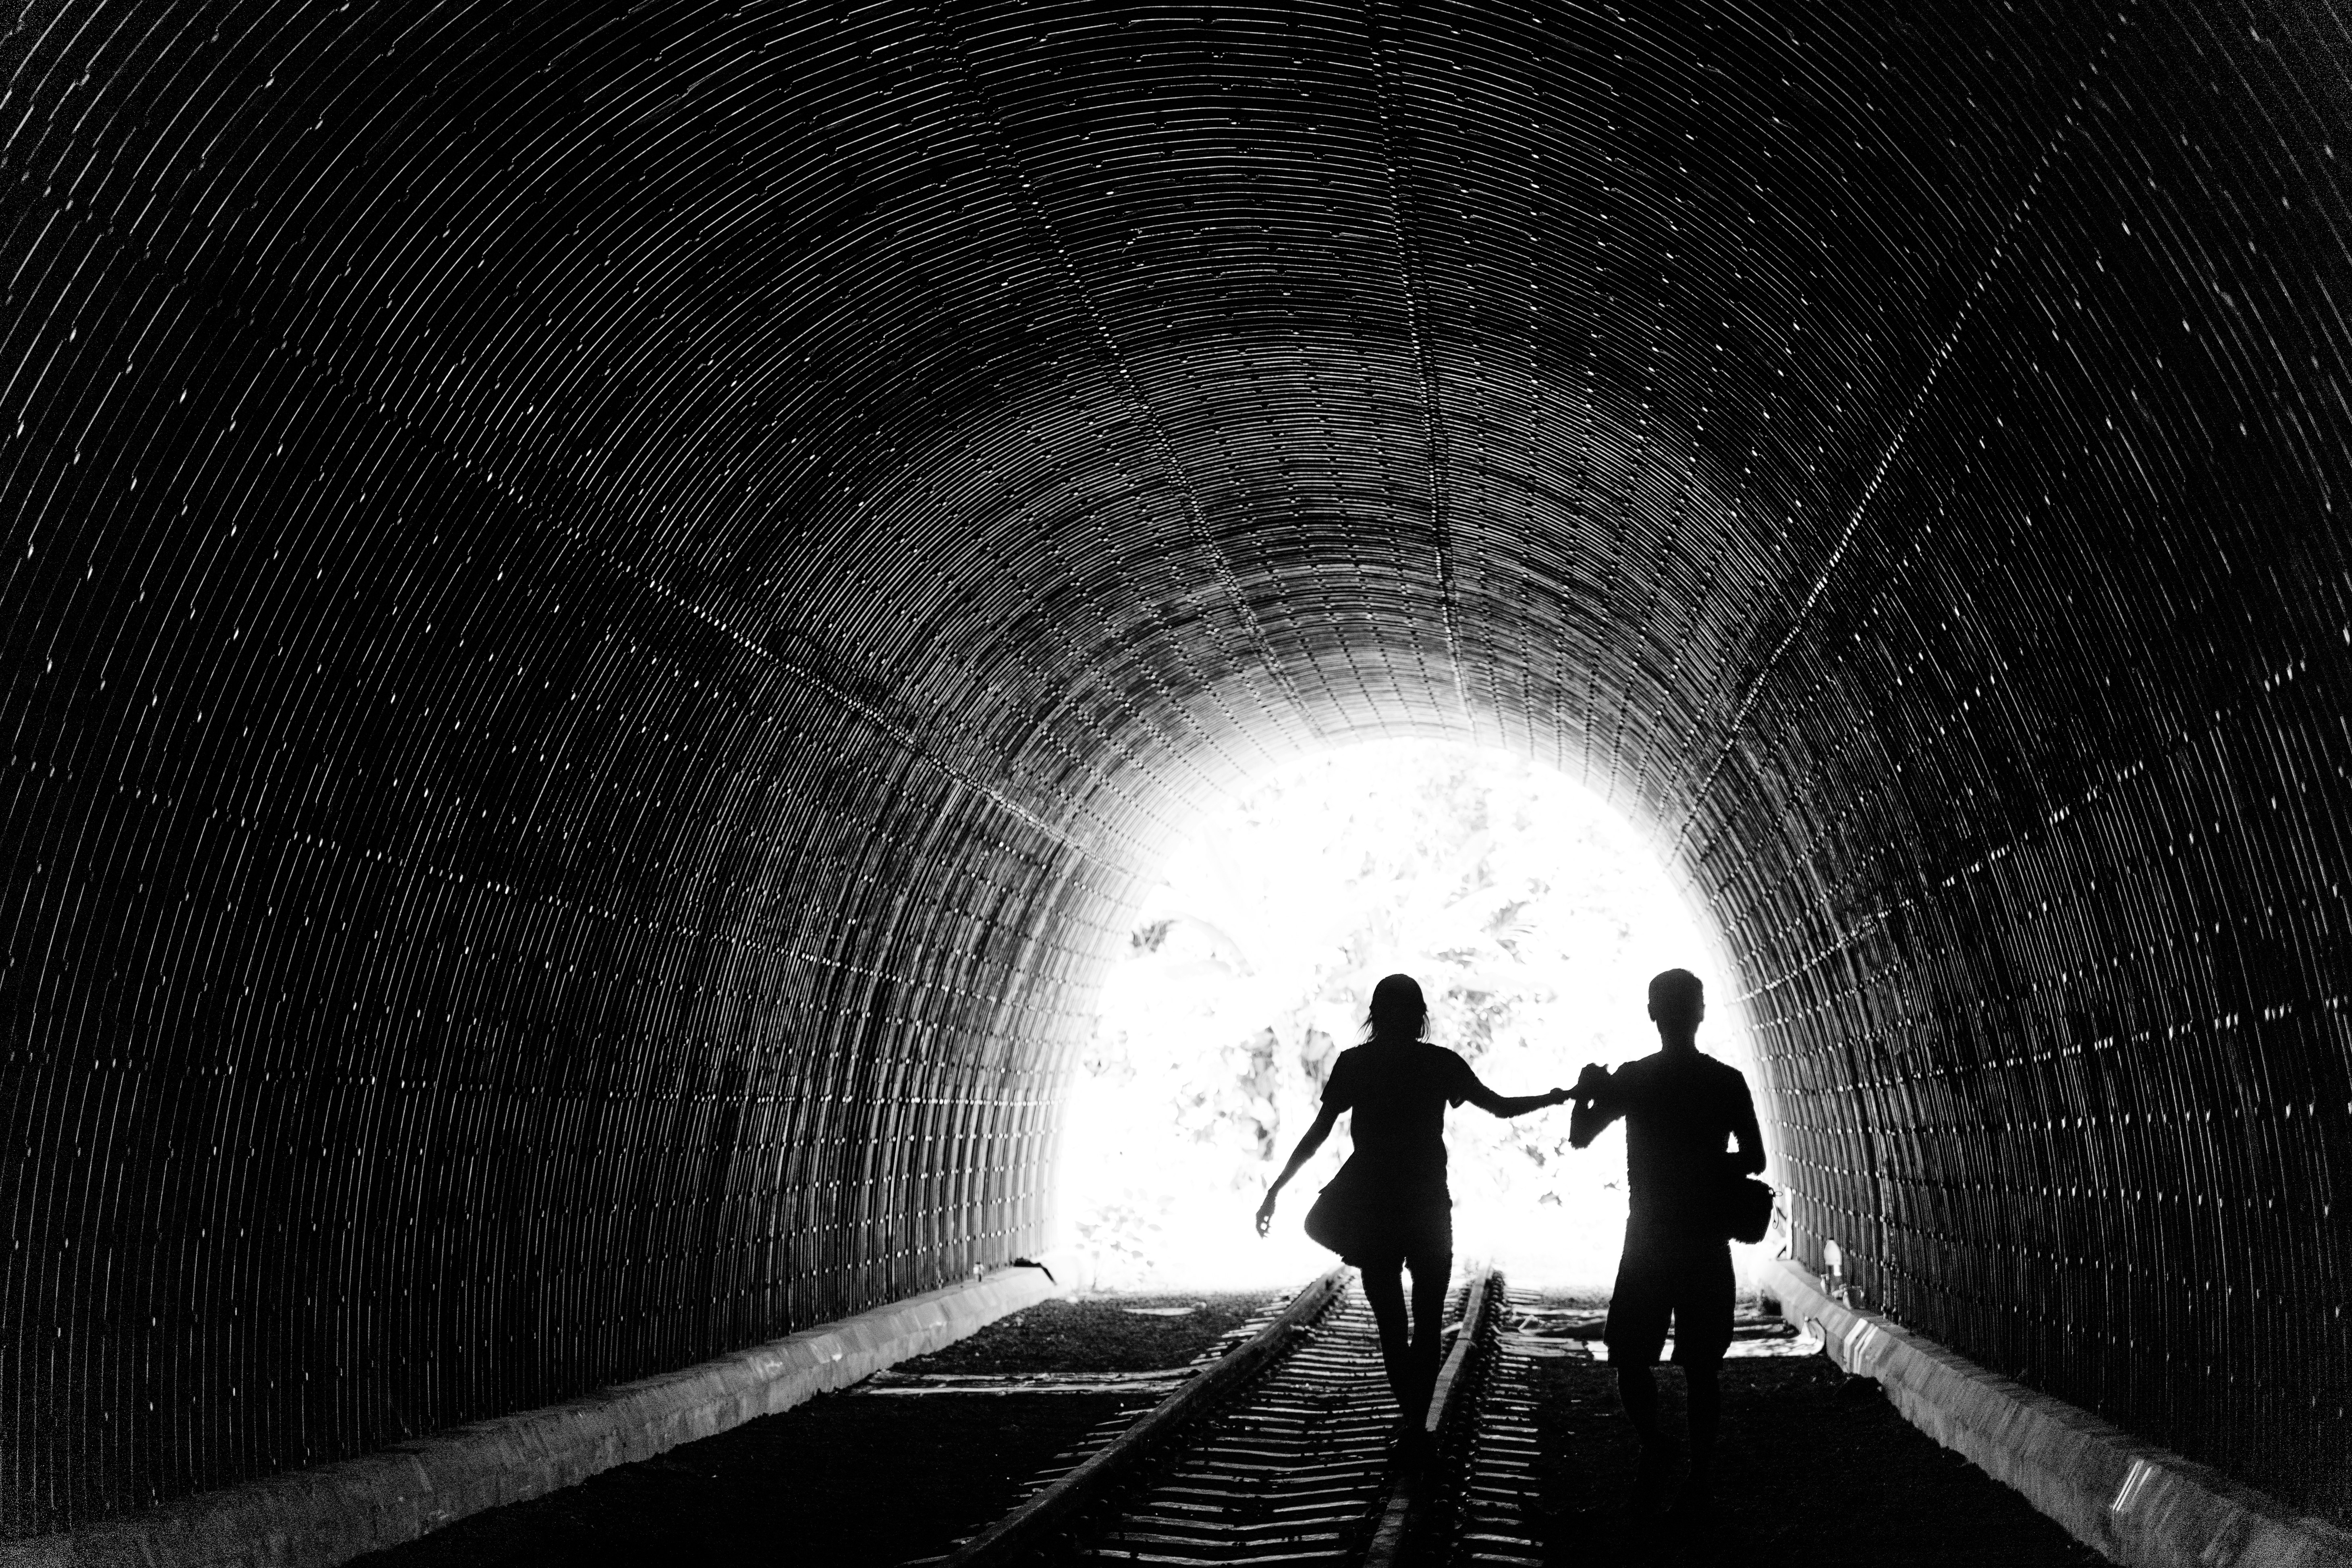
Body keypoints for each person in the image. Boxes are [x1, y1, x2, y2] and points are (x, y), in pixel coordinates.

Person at [1256, 973, 1569, 1428]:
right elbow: (1500, 1107)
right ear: (1421, 1017)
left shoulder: (1355, 1064)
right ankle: (1418, 1425)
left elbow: (1318, 1134)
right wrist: (1557, 1098)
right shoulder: (1440, 1064)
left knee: (1391, 1327)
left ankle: (1414, 1421)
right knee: (1426, 1326)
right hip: (1426, 1204)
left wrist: (1275, 1190)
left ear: (1374, 1016)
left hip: (1372, 1209)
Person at [1569, 967, 1765, 1514]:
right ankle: (1698, 1478)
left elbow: (1580, 1137)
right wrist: (1704, 1166)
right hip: (1705, 1237)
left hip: (1648, 1237)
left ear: (1652, 1012)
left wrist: (1585, 1091)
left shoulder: (1634, 1077)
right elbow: (1755, 1158)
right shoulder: (1725, 1081)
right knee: (1702, 1366)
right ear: (1700, 1011)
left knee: (1631, 1357)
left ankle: (1655, 1446)